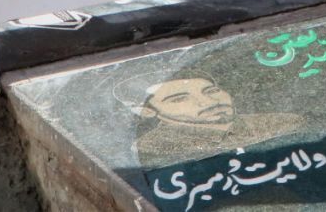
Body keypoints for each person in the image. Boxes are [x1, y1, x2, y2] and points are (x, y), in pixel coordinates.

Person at [115, 73, 304, 170]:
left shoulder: (281, 122)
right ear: (148, 111)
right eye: (180, 99)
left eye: (211, 91)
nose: (208, 102)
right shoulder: (152, 148)